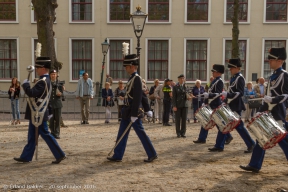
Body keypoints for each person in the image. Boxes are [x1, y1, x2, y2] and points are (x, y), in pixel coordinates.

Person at [240, 47, 288, 173]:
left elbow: (286, 95)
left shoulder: (284, 75)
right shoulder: (273, 76)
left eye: (272, 59)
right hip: (269, 113)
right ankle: (255, 164)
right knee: (261, 138)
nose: (269, 62)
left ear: (280, 61)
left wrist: (273, 100)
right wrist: (262, 110)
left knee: (282, 141)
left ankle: (255, 164)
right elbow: (267, 96)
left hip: (278, 112)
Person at [13, 56, 66, 164]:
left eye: (37, 68)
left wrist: (26, 85)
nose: (36, 70)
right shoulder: (45, 80)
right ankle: (26, 156)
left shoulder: (43, 81)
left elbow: (32, 93)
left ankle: (60, 154)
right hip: (36, 112)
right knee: (32, 135)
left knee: (45, 133)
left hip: (39, 113)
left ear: (42, 68)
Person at [107, 54, 157, 163]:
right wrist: (147, 109)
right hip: (127, 111)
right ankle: (118, 154)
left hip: (133, 112)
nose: (125, 69)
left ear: (132, 66)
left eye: (127, 67)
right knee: (121, 133)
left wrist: (137, 113)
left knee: (141, 133)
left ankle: (152, 153)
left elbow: (139, 96)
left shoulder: (137, 79)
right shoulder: (132, 78)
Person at [210, 58, 255, 153]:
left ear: (237, 68)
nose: (230, 70)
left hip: (236, 105)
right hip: (231, 104)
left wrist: (228, 95)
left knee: (239, 126)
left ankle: (251, 144)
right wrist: (226, 99)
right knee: (224, 124)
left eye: (231, 68)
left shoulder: (240, 78)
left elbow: (240, 93)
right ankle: (219, 145)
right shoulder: (234, 77)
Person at [193, 64, 233, 144]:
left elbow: (218, 94)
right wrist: (206, 101)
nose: (212, 73)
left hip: (215, 103)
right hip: (211, 103)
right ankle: (202, 138)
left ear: (218, 72)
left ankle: (228, 136)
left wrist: (209, 95)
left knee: (218, 122)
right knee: (206, 120)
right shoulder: (215, 80)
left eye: (214, 72)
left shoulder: (219, 81)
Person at [49, 70, 63, 139]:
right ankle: (52, 132)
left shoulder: (60, 83)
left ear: (56, 75)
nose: (53, 75)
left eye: (54, 74)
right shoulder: (48, 83)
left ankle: (57, 133)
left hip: (57, 103)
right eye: (52, 74)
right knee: (51, 119)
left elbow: (61, 92)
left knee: (57, 119)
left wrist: (60, 94)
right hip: (50, 104)